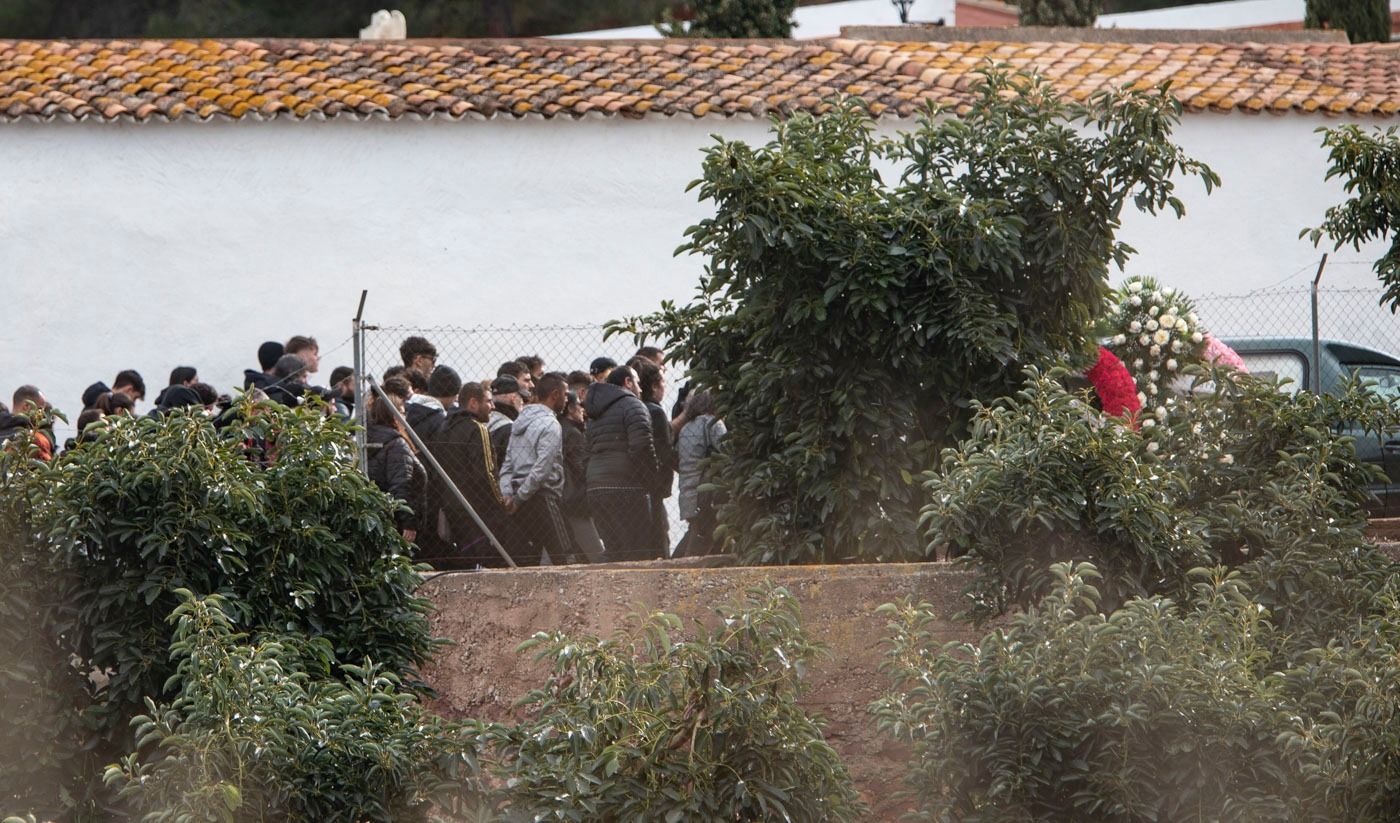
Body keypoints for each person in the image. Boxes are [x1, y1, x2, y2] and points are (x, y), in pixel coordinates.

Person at [427, 382, 509, 568]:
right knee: (486, 560)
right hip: (479, 509)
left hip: (451, 506)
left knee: (466, 561)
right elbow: (488, 472)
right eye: (488, 402)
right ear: (473, 403)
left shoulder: (444, 429)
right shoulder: (477, 429)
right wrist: (500, 502)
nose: (493, 407)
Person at [498, 373, 574, 566]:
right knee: (565, 558)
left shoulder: (518, 423)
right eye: (565, 395)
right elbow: (542, 468)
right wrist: (519, 497)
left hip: (517, 499)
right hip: (543, 497)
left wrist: (507, 494)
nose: (567, 400)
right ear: (555, 394)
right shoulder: (551, 424)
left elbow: (508, 464)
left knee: (525, 561)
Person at [584, 364, 658, 561]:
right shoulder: (633, 405)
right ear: (628, 382)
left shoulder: (595, 413)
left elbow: (586, 450)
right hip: (626, 485)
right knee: (637, 549)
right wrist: (651, 480)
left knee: (613, 549)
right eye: (638, 383)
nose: (641, 389)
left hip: (595, 484)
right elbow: (642, 447)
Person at [365, 376, 426, 544]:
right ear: (393, 414)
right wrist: (408, 522)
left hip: (378, 519)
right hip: (397, 523)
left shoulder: (368, 439)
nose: (405, 415)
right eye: (402, 410)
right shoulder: (397, 444)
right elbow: (401, 484)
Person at [631, 358, 675, 555]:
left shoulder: (632, 409)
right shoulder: (655, 412)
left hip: (633, 486)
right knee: (659, 538)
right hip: (654, 487)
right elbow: (664, 451)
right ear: (655, 386)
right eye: (663, 382)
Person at [675, 390, 726, 557]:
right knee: (702, 538)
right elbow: (727, 452)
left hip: (689, 494)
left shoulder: (686, 428)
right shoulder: (713, 423)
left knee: (700, 533)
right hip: (708, 494)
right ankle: (679, 568)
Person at [560, 388, 605, 562]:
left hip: (563, 499)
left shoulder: (561, 428)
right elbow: (581, 468)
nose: (583, 409)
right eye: (579, 405)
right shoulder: (573, 433)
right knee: (596, 551)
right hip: (576, 502)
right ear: (570, 409)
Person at [0, 385, 55, 462]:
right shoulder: (33, 440)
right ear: (27, 406)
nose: (42, 414)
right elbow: (47, 470)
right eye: (40, 409)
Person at [487, 374, 524, 464]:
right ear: (513, 398)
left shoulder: (484, 420)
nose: (522, 401)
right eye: (521, 397)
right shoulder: (511, 428)